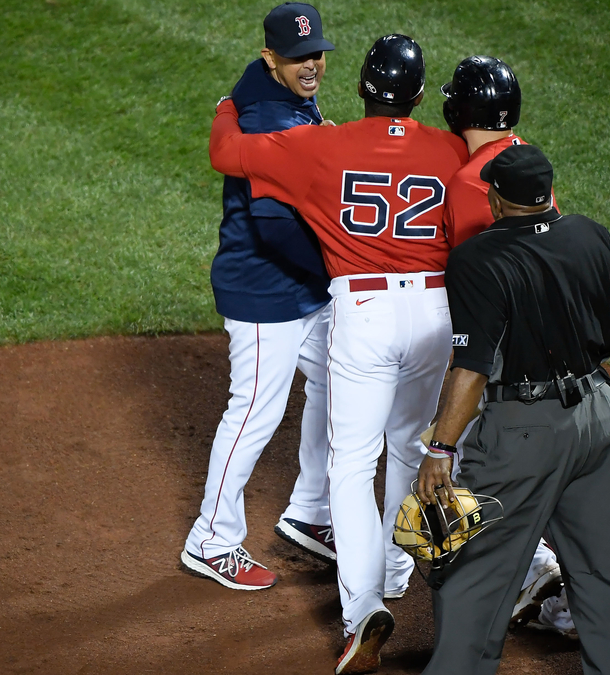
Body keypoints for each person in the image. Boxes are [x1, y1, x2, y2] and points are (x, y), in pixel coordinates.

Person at [209, 34, 469, 674]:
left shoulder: (323, 143)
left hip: (363, 312)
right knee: (417, 448)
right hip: (434, 313)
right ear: (415, 96)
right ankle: (399, 569)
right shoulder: (450, 149)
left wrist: (226, 103)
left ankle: (363, 610)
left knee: (353, 464)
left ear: (360, 88)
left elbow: (227, 153)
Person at [417, 144, 610, 675]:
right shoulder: (588, 235)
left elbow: (472, 367)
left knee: (474, 577)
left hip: (523, 435)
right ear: (547, 194)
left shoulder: (477, 259)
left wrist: (440, 449)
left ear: (495, 197)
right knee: (605, 575)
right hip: (599, 423)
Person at [180, 2, 339, 593]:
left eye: (316, 52)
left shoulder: (262, 82)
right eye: (298, 57)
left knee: (336, 383)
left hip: (301, 286)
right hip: (263, 288)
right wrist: (335, 267)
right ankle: (211, 540)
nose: (312, 65)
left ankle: (309, 512)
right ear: (272, 57)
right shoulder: (274, 120)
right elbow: (274, 226)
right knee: (254, 412)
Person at [437, 54, 565, 633]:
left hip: (503, 351)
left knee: (469, 463)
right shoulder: (524, 160)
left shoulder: (472, 182)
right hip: (552, 343)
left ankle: (530, 571)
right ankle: (564, 607)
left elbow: (475, 278)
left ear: (459, 110)